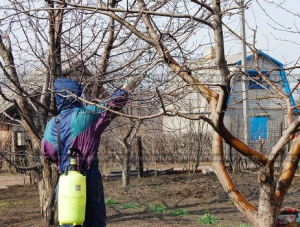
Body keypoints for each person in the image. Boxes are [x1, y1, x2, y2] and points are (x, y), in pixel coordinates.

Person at [41, 76, 140, 227]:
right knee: (94, 220)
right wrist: (126, 87)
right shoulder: (85, 116)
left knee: (69, 222)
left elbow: (46, 153)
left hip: (65, 180)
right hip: (87, 177)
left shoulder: (51, 124)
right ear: (74, 96)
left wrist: (63, 160)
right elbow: (110, 105)